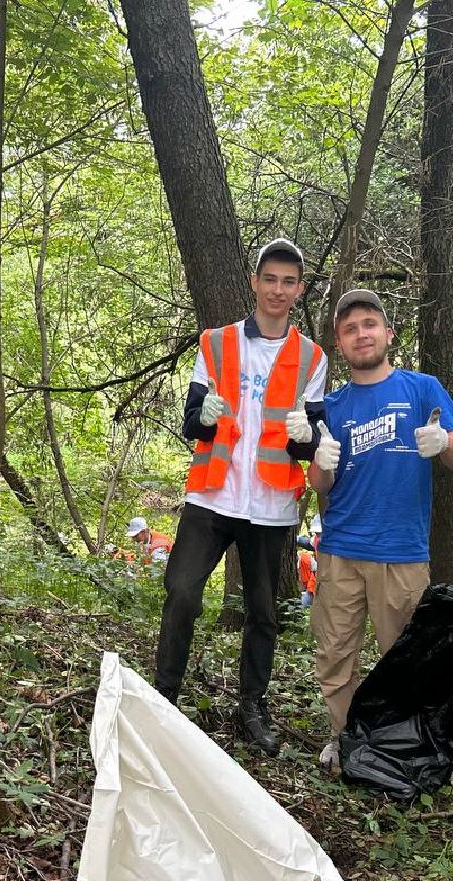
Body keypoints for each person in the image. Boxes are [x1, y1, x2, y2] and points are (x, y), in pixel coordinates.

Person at [154, 238, 328, 755]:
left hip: (271, 504)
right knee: (182, 591)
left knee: (263, 611)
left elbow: (309, 443)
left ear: (298, 290)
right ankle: (166, 698)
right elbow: (192, 421)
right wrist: (202, 420)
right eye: (269, 279)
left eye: (288, 282)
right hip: (213, 495)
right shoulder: (216, 343)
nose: (277, 290)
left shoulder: (311, 358)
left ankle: (251, 706)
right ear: (254, 282)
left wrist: (306, 434)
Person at [308, 288, 453, 769]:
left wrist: (443, 441)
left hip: (401, 552)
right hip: (340, 549)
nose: (361, 334)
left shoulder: (422, 389)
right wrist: (320, 462)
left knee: (403, 659)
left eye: (369, 325)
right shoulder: (332, 406)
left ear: (387, 333)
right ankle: (346, 738)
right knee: (335, 654)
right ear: (340, 344)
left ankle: (400, 746)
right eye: (349, 329)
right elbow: (318, 482)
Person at [297, 518, 321, 608]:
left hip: (333, 582)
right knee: (304, 604)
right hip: (315, 582)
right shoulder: (315, 540)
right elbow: (306, 542)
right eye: (317, 533)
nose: (319, 536)